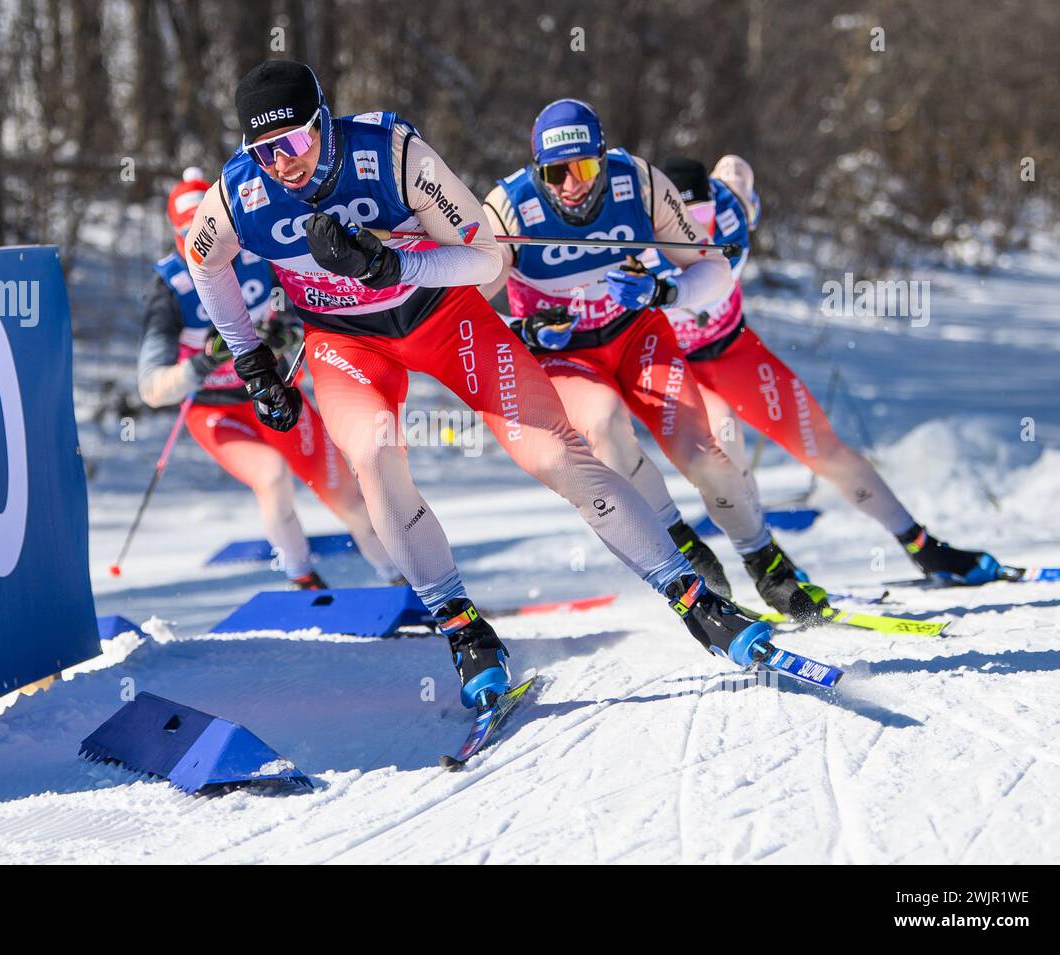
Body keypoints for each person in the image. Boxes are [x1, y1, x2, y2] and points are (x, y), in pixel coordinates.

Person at [184, 60, 779, 711]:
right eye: (266, 151)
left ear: (323, 121)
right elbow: (202, 261)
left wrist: (392, 263)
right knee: (375, 462)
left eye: (296, 142)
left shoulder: (390, 155)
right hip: (347, 342)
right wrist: (251, 357)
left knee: (557, 455)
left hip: (442, 317)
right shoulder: (239, 195)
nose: (285, 164)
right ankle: (464, 630)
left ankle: (693, 598)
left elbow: (488, 255)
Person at [479, 99, 831, 622]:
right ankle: (680, 541)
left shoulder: (641, 184)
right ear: (537, 171)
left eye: (585, 167)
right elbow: (461, 310)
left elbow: (710, 271)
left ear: (603, 157)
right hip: (567, 356)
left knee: (703, 452)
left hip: (637, 334)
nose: (571, 185)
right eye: (556, 173)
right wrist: (524, 328)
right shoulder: (510, 207)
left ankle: (766, 561)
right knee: (603, 425)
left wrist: (662, 292)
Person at [650, 154, 1005, 585]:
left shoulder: (729, 210)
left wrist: (748, 198)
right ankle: (767, 561)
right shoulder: (634, 238)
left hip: (734, 351)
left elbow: (736, 168)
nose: (696, 231)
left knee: (822, 446)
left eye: (702, 215)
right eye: (683, 221)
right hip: (678, 366)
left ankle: (923, 547)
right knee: (726, 439)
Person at [138, 167, 401, 589]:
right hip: (215, 411)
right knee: (272, 475)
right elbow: (151, 389)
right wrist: (204, 362)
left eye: (209, 229)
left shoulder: (258, 251)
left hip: (276, 396)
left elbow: (311, 303)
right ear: (175, 236)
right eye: (189, 235)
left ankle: (401, 581)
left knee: (349, 499)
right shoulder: (170, 286)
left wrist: (289, 332)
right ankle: (303, 578)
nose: (203, 244)